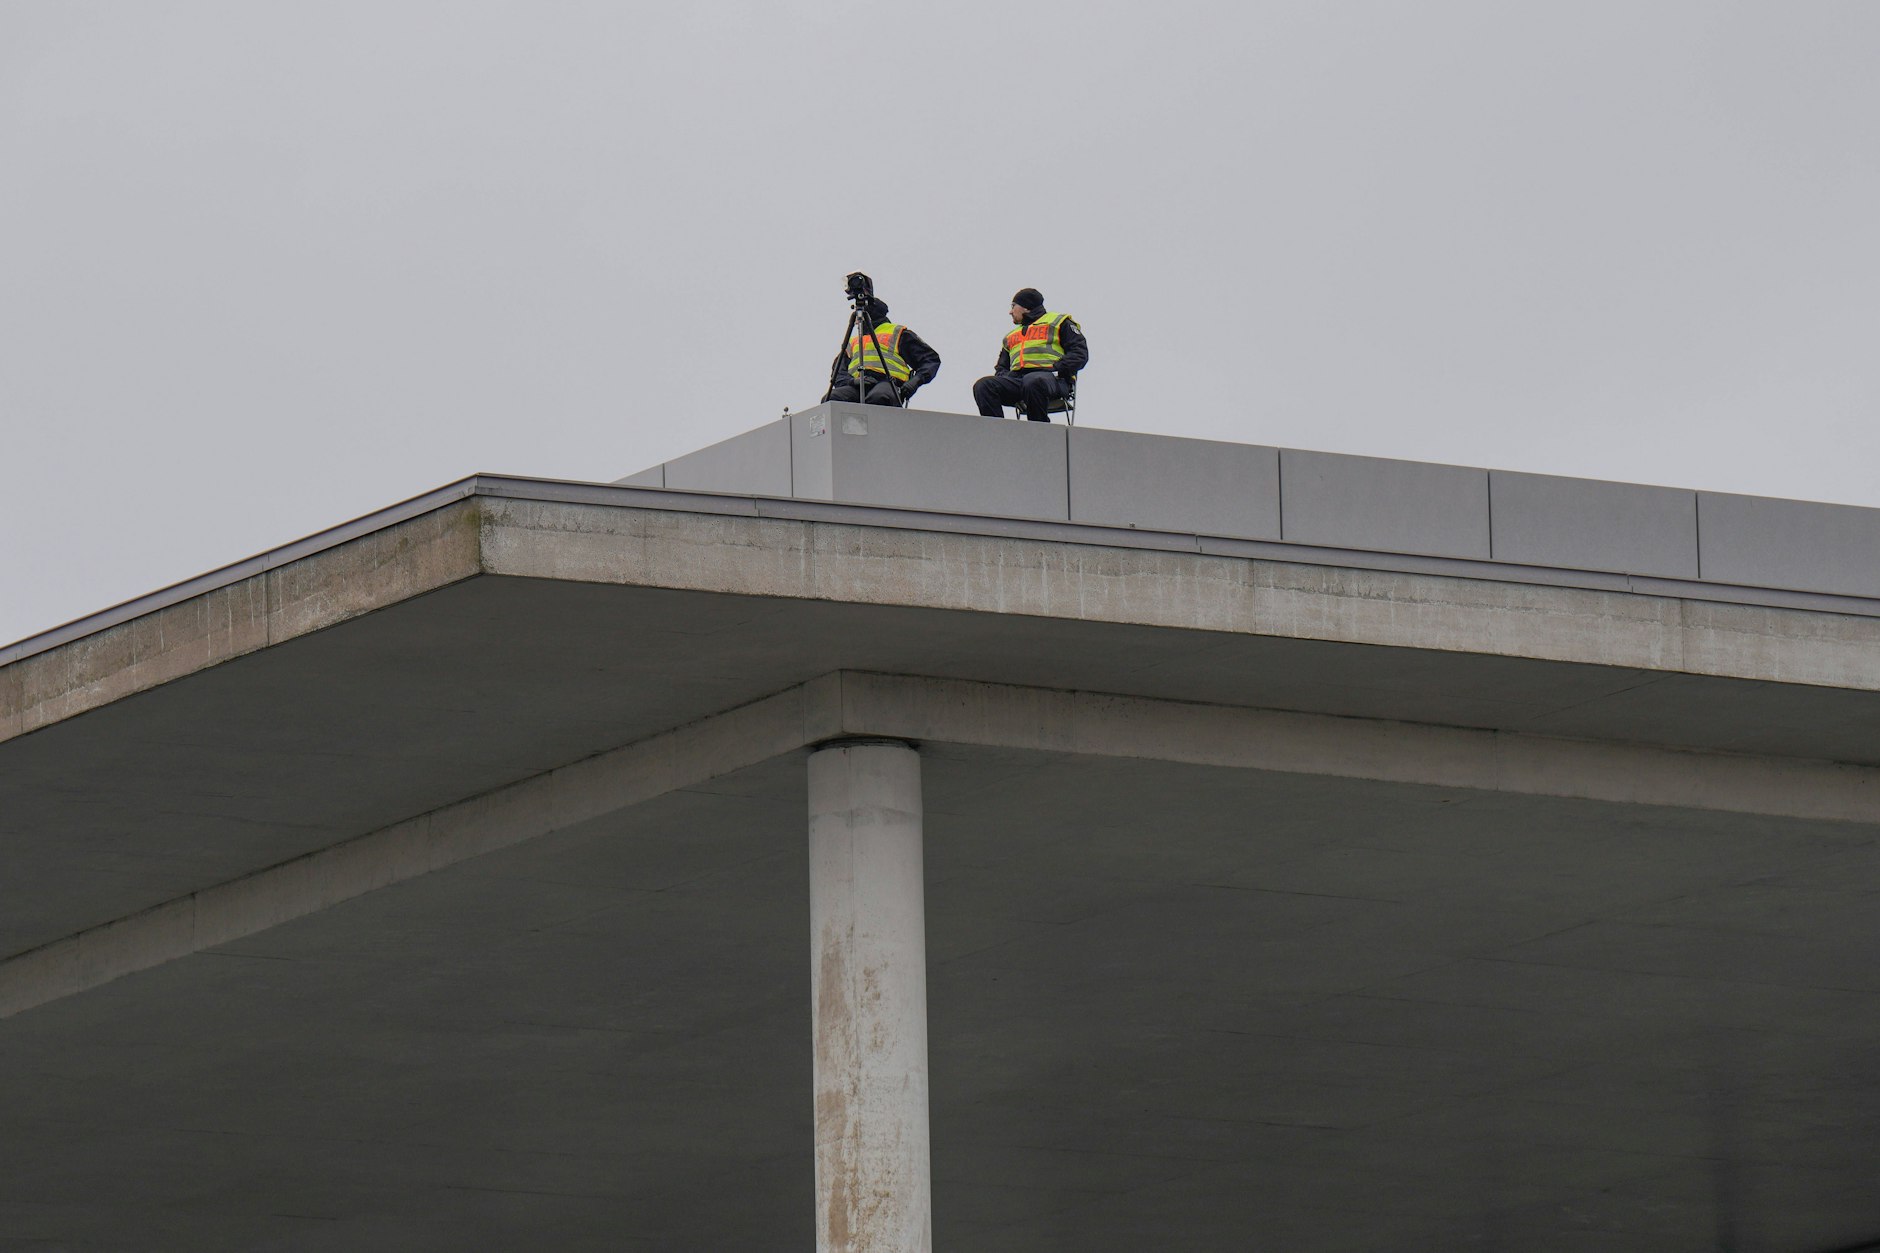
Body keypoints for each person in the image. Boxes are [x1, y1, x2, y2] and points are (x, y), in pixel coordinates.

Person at [972, 288, 1089, 422]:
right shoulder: (1011, 336)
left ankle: (1038, 432)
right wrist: (1008, 376)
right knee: (984, 385)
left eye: (1013, 306)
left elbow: (1079, 354)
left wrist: (1057, 368)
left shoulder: (1059, 322)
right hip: (1019, 380)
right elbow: (1001, 368)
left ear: (1026, 308)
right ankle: (996, 433)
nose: (1010, 312)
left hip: (1054, 379)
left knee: (1033, 381)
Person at [823, 297, 941, 407]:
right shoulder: (854, 342)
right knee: (832, 399)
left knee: (879, 398)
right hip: (858, 386)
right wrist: (852, 381)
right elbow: (838, 372)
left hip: (889, 384)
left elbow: (930, 359)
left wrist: (915, 381)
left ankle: (880, 428)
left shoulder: (897, 333)